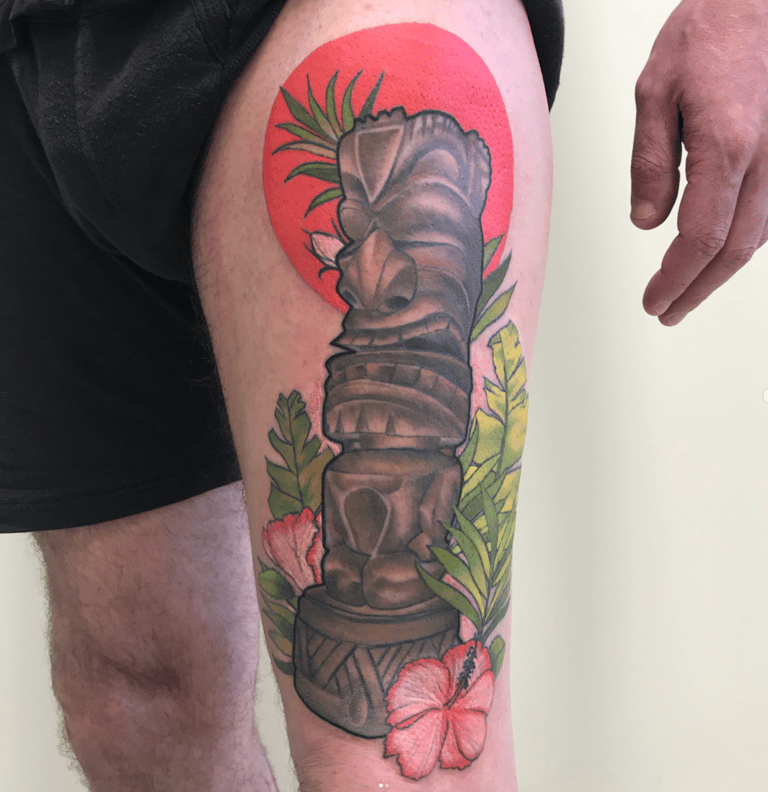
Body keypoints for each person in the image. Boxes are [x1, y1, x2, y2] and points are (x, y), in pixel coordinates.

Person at [0, 0, 765, 789]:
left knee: (395, 768)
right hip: (37, 39)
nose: (359, 268)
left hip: (334, 22)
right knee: (132, 699)